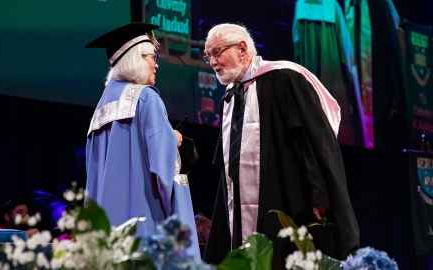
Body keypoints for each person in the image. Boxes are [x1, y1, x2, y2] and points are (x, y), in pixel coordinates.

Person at [202, 23, 360, 266]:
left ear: (242, 49)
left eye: (217, 52)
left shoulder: (285, 78)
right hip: (241, 206)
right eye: (208, 55)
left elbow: (312, 143)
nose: (212, 61)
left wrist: (320, 196)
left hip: (286, 198)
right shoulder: (232, 95)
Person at [84, 22, 200, 258]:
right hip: (145, 224)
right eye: (151, 57)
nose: (156, 64)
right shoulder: (146, 99)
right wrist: (172, 142)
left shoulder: (100, 110)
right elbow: (164, 172)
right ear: (135, 59)